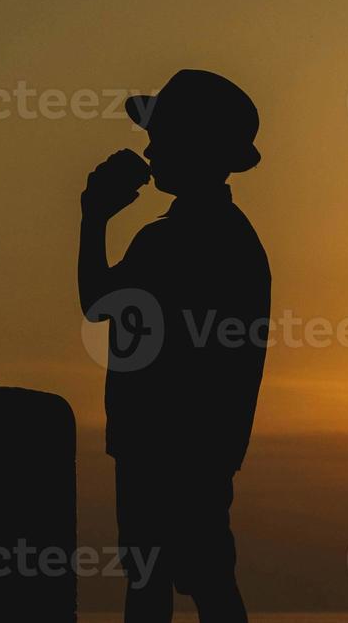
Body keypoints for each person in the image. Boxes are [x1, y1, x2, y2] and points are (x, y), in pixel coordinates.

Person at [78, 69, 272, 623]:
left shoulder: (172, 239)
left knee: (166, 586)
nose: (149, 148)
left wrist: (93, 218)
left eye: (160, 137)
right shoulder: (226, 237)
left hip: (164, 449)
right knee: (201, 581)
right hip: (193, 450)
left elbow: (97, 303)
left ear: (193, 146)